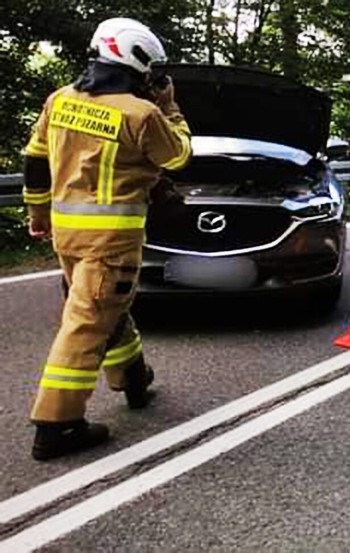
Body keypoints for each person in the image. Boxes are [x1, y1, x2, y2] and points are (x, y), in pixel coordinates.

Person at [21, 17, 192, 461]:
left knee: (103, 309)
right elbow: (177, 156)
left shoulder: (59, 100)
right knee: (87, 322)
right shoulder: (142, 113)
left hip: (66, 235)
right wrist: (171, 108)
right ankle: (56, 425)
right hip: (111, 241)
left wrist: (37, 212)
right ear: (136, 63)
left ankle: (133, 378)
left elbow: (36, 161)